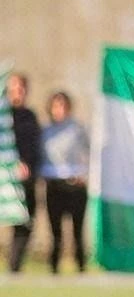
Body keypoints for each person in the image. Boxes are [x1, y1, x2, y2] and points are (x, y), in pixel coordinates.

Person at [40, 91, 90, 273]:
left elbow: (91, 153)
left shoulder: (77, 129)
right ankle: (54, 269)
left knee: (77, 232)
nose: (59, 110)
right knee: (56, 233)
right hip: (54, 186)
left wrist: (84, 173)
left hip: (74, 185)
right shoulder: (45, 131)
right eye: (56, 106)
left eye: (63, 105)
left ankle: (81, 268)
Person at [5, 72, 40, 273]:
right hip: (6, 180)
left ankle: (14, 268)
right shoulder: (3, 117)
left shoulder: (30, 116)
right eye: (14, 88)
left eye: (21, 88)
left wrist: (28, 165)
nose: (18, 92)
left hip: (26, 181)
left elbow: (34, 147)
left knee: (25, 223)